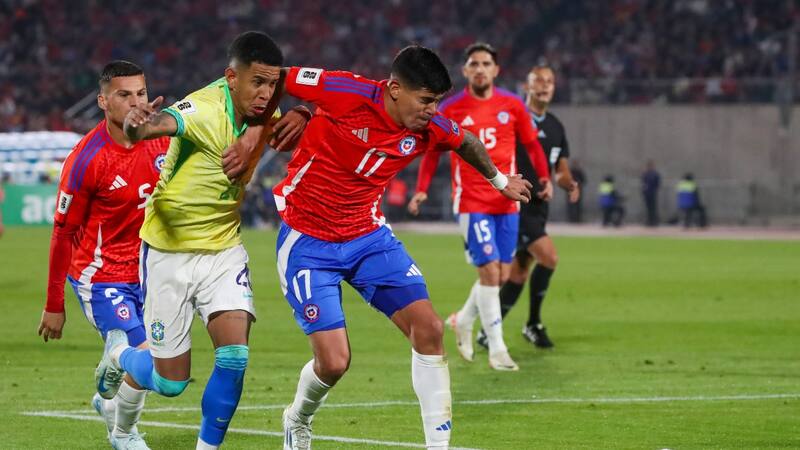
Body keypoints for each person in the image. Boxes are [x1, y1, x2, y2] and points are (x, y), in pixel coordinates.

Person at [223, 44, 533, 450]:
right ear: (393, 89)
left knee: (431, 329)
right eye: (424, 101)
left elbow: (468, 142)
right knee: (334, 362)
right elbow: (276, 77)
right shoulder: (345, 91)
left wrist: (498, 181)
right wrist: (260, 133)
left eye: (436, 102)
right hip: (308, 241)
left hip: (368, 238)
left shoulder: (429, 127)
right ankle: (297, 418)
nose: (431, 111)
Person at [92, 32, 309, 450]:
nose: (266, 94)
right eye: (257, 83)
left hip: (224, 250)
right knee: (169, 382)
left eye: (271, 84)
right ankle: (120, 354)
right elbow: (161, 123)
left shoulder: (267, 106)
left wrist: (303, 111)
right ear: (231, 78)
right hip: (169, 254)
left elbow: (287, 108)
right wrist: (140, 125)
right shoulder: (203, 108)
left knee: (235, 357)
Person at [36, 60, 169, 449]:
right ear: (103, 101)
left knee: (162, 365)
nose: (135, 103)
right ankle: (124, 434)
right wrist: (53, 303)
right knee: (145, 356)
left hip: (150, 272)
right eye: (124, 95)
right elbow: (62, 234)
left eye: (141, 93)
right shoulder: (86, 159)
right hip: (102, 276)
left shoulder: (162, 139)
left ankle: (110, 389)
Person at [408, 43, 553, 371]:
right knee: (488, 273)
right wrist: (421, 190)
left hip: (507, 200)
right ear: (465, 71)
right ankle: (498, 349)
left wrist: (544, 177)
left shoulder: (512, 105)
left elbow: (531, 143)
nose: (480, 69)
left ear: (496, 70)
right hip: (472, 201)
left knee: (501, 274)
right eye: (474, 63)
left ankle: (463, 319)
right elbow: (432, 150)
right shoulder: (453, 108)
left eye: (486, 63)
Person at [475, 65, 579, 350]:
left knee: (518, 273)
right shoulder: (512, 119)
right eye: (539, 81)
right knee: (549, 257)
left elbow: (560, 169)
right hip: (515, 205)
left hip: (538, 209)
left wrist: (567, 183)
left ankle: (487, 331)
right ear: (527, 86)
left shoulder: (556, 126)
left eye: (550, 81)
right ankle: (532, 323)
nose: (545, 86)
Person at [641, 160, 661, 226]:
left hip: (652, 192)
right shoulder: (645, 174)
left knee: (653, 208)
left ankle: (654, 221)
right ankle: (649, 221)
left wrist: (655, 189)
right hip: (647, 193)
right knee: (648, 208)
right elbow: (643, 183)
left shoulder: (655, 174)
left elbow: (657, 183)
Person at [566, 159, 586, 223]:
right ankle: (573, 219)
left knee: (577, 206)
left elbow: (584, 181)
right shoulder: (570, 171)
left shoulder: (576, 172)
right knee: (572, 206)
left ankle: (577, 219)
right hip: (571, 190)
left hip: (576, 190)